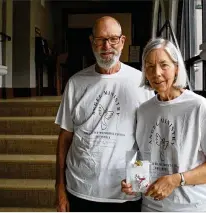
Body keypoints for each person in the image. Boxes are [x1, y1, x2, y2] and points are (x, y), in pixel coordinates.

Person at [55, 16, 154, 212]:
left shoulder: (141, 83)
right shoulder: (76, 83)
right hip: (80, 190)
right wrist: (59, 186)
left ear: (122, 41)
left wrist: (139, 182)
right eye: (100, 39)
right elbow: (65, 137)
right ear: (92, 42)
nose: (106, 46)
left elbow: (147, 139)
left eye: (113, 39)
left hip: (124, 194)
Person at [121, 38, 206, 212]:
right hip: (154, 206)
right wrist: (133, 181)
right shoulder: (144, 111)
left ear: (177, 67)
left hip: (197, 207)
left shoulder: (198, 106)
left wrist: (175, 179)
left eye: (164, 65)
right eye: (149, 66)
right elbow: (143, 160)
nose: (156, 73)